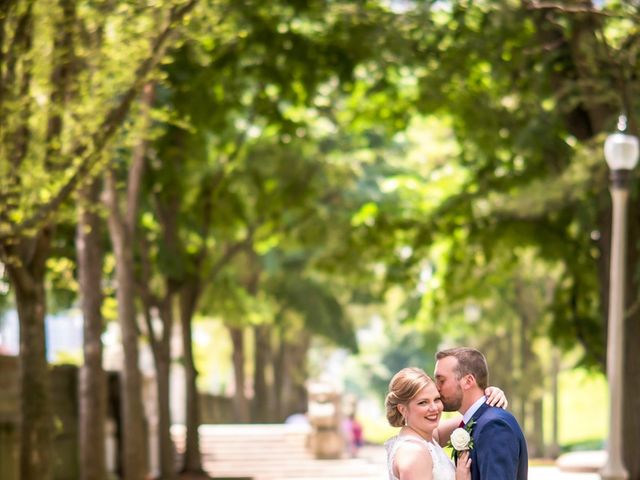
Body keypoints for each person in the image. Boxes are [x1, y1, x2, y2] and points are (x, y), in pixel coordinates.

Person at [385, 367, 507, 480]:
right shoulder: (414, 453)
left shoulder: (426, 437)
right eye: (423, 402)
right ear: (402, 409)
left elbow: (473, 414)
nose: (434, 408)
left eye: (436, 399)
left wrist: (488, 396)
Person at [434, 347, 528, 480]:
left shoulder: (494, 426)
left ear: (468, 381)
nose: (436, 388)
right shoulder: (475, 421)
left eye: (441, 380)